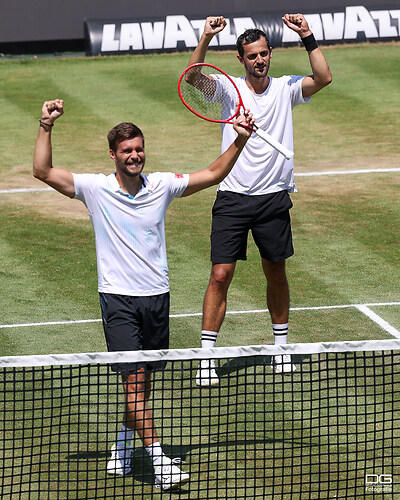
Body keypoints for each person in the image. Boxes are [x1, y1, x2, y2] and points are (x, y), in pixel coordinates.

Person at [33, 99, 254, 490]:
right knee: (134, 382)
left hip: (156, 297)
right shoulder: (95, 189)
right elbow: (43, 170)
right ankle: (158, 460)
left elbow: (214, 173)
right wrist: (46, 126)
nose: (134, 156)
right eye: (126, 151)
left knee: (143, 385)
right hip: (118, 299)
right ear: (113, 155)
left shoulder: (163, 186)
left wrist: (239, 140)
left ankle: (121, 446)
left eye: (138, 149)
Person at [186, 14, 332, 385]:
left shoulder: (285, 88)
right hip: (233, 197)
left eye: (264, 54)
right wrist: (205, 37)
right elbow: (191, 78)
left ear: (270, 54)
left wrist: (307, 36)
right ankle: (206, 358)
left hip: (272, 199)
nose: (260, 60)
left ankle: (280, 349)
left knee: (276, 273)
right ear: (241, 59)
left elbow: (324, 78)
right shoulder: (228, 89)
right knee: (221, 274)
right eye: (252, 56)